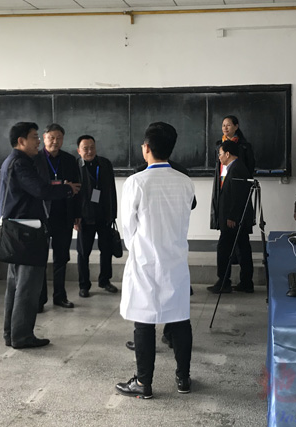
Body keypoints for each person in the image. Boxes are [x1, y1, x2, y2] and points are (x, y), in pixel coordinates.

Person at [115, 122, 195, 399]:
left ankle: (143, 382)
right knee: (180, 320)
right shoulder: (185, 181)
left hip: (146, 260)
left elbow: (128, 227)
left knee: (144, 322)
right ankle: (183, 379)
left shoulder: (136, 182)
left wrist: (140, 247)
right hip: (175, 260)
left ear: (146, 148)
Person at [0, 122, 80, 349]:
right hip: (26, 232)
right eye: (35, 137)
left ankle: (11, 333)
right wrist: (67, 189)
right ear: (21, 141)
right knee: (27, 287)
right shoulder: (21, 163)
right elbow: (41, 190)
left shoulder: (12, 161)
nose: (38, 141)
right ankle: (22, 336)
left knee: (15, 286)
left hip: (18, 229)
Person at [34, 123, 81, 312]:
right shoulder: (35, 159)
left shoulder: (69, 160)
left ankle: (60, 296)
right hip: (42, 216)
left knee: (61, 258)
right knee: (40, 258)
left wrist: (77, 214)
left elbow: (77, 189)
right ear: (44, 138)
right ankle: (40, 299)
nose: (55, 141)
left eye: (59, 138)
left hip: (64, 215)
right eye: (51, 137)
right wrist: (62, 187)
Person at [207, 140, 255, 294]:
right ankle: (246, 282)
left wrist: (232, 216)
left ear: (227, 154)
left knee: (224, 249)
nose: (219, 157)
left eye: (220, 154)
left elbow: (238, 196)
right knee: (242, 248)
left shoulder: (237, 169)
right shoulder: (233, 167)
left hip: (234, 220)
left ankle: (224, 282)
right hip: (235, 218)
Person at [75, 135, 118, 298]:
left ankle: (105, 280)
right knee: (83, 253)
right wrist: (74, 217)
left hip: (104, 215)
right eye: (85, 148)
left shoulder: (105, 164)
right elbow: (72, 196)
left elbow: (112, 190)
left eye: (92, 147)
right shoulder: (75, 166)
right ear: (79, 151)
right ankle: (84, 285)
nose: (89, 151)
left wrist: (113, 214)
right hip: (84, 217)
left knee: (106, 250)